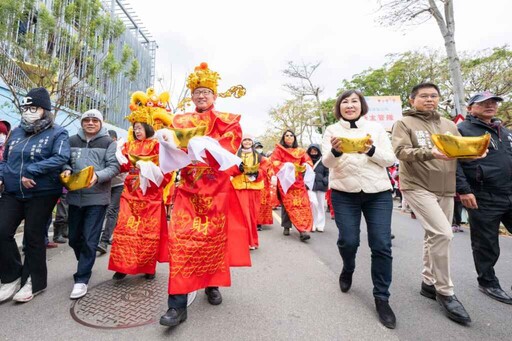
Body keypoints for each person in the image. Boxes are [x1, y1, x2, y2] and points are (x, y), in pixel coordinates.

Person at [160, 62, 250, 327]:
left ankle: (211, 282)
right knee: (182, 243)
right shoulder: (180, 121)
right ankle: (176, 306)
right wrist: (167, 141)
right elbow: (172, 148)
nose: (201, 95)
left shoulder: (228, 121)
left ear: (214, 95)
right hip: (187, 192)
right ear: (191, 95)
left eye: (206, 91)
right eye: (197, 91)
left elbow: (228, 150)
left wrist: (200, 144)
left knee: (212, 242)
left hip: (217, 194)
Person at [391, 82, 471, 324]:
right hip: (417, 185)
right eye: (424, 96)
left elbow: (460, 151)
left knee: (433, 235)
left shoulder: (448, 125)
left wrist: (475, 151)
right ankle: (445, 291)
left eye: (434, 96)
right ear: (412, 99)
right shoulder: (404, 123)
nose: (429, 100)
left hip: (445, 187)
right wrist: (430, 153)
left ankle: (428, 282)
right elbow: (401, 151)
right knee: (444, 233)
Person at [322, 90, 396, 329]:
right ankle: (348, 267)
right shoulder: (332, 131)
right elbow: (325, 163)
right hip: (344, 193)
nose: (350, 105)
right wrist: (336, 151)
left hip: (378, 194)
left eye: (354, 101)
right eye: (345, 101)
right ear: (339, 107)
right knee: (348, 241)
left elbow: (390, 160)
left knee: (382, 245)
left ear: (362, 105)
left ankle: (382, 297)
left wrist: (370, 150)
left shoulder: (375, 129)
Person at [0, 87, 70, 303]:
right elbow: (5, 159)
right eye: (26, 107)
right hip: (12, 191)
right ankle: (11, 276)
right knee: (2, 231)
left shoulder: (58, 132)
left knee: (33, 237)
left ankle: (33, 281)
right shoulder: (17, 132)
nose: (28, 111)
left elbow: (61, 158)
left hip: (41, 192)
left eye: (34, 108)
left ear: (44, 110)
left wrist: (32, 170)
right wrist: (2, 176)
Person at [108, 89, 173, 280]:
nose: (137, 131)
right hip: (130, 192)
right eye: (135, 127)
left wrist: (150, 171)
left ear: (148, 128)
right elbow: (124, 166)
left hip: (150, 195)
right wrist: (120, 159)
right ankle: (122, 266)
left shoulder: (157, 146)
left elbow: (166, 171)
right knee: (126, 229)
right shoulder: (128, 146)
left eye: (140, 127)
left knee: (148, 232)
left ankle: (147, 267)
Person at [456, 91, 512, 304]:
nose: (490, 105)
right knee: (486, 243)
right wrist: (464, 190)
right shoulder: (462, 130)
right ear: (470, 108)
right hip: (481, 195)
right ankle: (487, 281)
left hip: (509, 192)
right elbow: (455, 162)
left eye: (494, 102)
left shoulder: (504, 131)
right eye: (483, 103)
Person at [63, 109, 119, 299]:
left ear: (101, 123)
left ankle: (82, 278)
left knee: (89, 238)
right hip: (75, 196)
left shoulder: (108, 143)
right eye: (87, 120)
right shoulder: (71, 141)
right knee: (73, 238)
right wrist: (66, 170)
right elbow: (64, 162)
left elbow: (114, 167)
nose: (91, 123)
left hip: (97, 198)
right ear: (82, 122)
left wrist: (98, 176)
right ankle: (84, 262)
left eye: (95, 120)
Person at [270, 130, 314, 242]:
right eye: (287, 136)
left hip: (298, 182)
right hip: (285, 182)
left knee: (302, 204)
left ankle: (303, 229)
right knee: (287, 205)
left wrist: (305, 166)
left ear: (294, 138)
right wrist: (287, 166)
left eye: (291, 135)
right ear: (283, 138)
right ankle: (286, 226)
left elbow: (308, 162)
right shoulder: (279, 150)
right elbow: (274, 162)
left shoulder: (300, 151)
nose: (289, 137)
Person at [232, 135, 265, 249]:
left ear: (252, 142)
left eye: (249, 140)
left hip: (253, 188)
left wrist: (256, 174)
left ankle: (252, 241)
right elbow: (229, 170)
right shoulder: (235, 156)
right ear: (242, 142)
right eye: (245, 140)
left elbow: (265, 169)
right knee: (241, 215)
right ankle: (241, 241)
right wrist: (237, 169)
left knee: (251, 215)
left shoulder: (259, 156)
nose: (247, 142)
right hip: (238, 188)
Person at [97, 130, 127, 254]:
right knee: (100, 210)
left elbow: (126, 166)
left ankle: (104, 240)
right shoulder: (100, 148)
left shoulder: (121, 149)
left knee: (112, 211)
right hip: (102, 184)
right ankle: (96, 238)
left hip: (118, 184)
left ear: (114, 140)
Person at [306, 144, 329, 232]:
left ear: (318, 151)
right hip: (310, 186)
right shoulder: (307, 160)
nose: (313, 152)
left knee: (321, 206)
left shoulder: (323, 160)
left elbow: (328, 172)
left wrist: (325, 180)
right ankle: (313, 223)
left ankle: (320, 224)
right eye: (311, 150)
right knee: (313, 203)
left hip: (321, 186)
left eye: (315, 150)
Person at [255, 142, 274, 229]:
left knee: (262, 203)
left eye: (260, 147)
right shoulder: (250, 157)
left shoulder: (266, 159)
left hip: (263, 183)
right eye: (257, 147)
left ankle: (259, 222)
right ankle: (253, 221)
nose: (258, 149)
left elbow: (270, 170)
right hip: (252, 182)